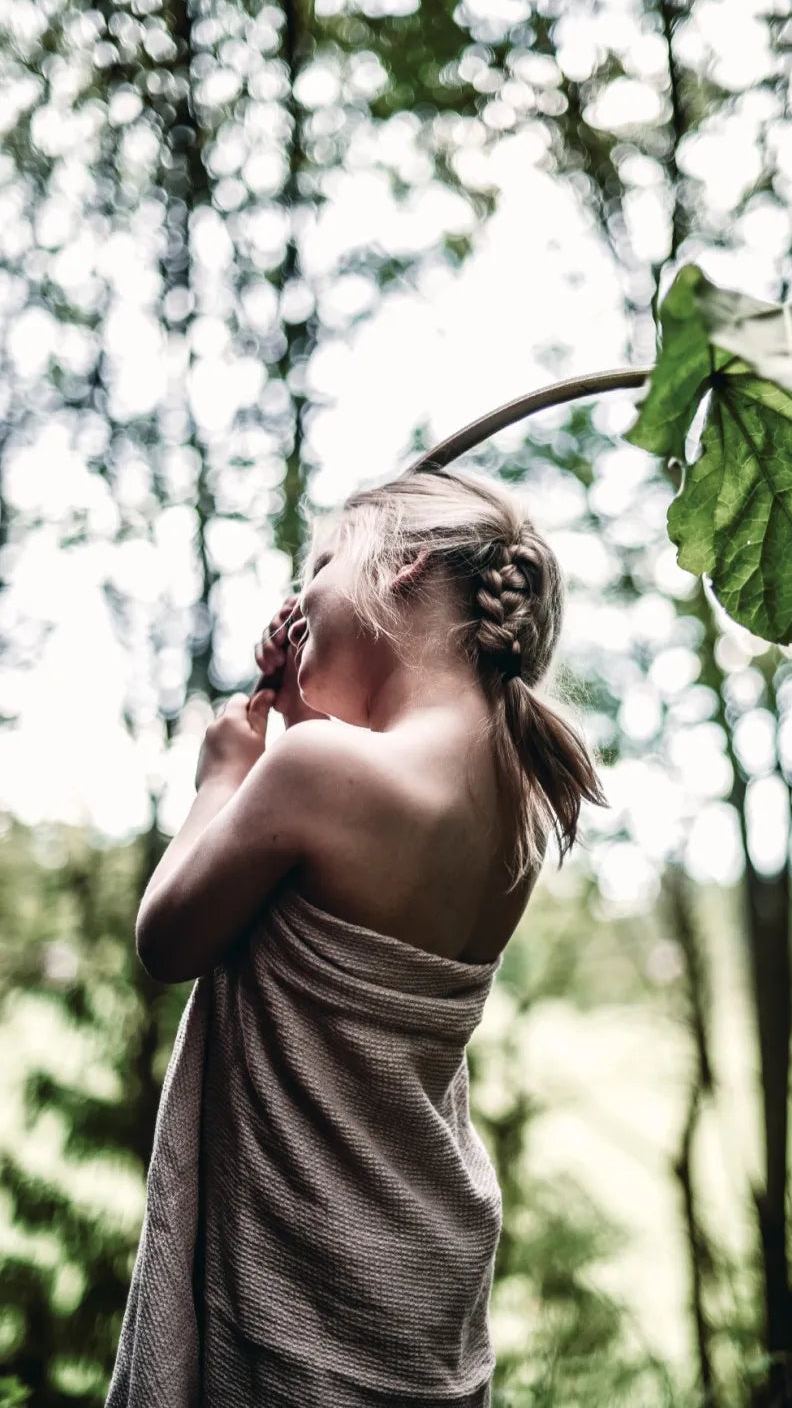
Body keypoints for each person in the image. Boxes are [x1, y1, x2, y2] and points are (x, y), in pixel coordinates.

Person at [108, 468, 606, 1407]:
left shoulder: (312, 769)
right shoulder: (515, 801)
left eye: (323, 563)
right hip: (417, 1274)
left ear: (402, 565)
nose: (301, 597)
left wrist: (223, 774)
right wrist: (300, 720)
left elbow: (166, 941)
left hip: (301, 1273)